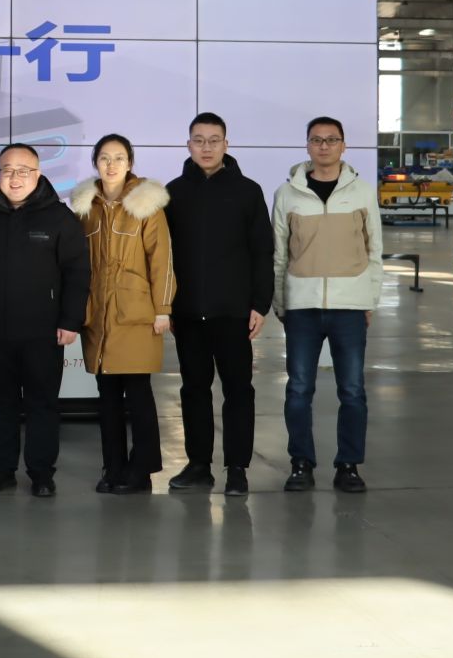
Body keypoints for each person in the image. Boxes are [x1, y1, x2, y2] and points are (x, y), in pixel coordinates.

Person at [0, 143, 89, 499]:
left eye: (23, 171)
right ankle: (0, 471)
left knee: (42, 403)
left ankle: (41, 474)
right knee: (0, 401)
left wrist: (70, 320)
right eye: (7, 170)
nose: (15, 178)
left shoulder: (60, 218)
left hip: (44, 331)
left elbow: (78, 272)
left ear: (38, 174)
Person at [162, 111, 273, 497]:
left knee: (238, 390)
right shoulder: (173, 193)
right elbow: (164, 256)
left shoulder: (248, 191)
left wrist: (260, 303)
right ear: (188, 145)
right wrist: (166, 305)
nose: (206, 147)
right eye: (199, 140)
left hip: (234, 312)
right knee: (194, 389)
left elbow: (263, 251)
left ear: (226, 144)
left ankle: (237, 468)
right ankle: (199, 465)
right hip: (188, 313)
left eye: (214, 140)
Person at [272, 115, 383, 494]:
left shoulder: (362, 193)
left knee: (351, 390)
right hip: (301, 307)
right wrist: (281, 302)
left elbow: (374, 249)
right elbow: (279, 254)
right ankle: (300, 463)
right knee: (298, 389)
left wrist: (370, 299)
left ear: (343, 146)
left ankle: (348, 465)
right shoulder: (287, 194)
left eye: (331, 139)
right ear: (307, 145)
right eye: (317, 140)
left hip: (350, 306)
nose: (324, 146)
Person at [68, 134, 174, 496]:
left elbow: (162, 260)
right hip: (98, 314)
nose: (111, 165)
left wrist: (163, 308)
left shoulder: (146, 204)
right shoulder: (85, 207)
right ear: (95, 163)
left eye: (118, 158)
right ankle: (112, 467)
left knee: (139, 395)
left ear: (130, 163)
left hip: (137, 314)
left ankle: (141, 470)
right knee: (108, 398)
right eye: (104, 158)